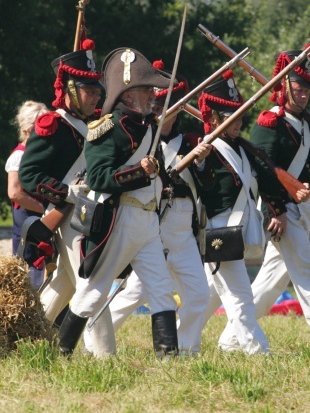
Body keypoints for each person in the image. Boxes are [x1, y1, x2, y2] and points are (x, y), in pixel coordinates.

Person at [218, 44, 310, 356]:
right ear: (283, 85)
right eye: (299, 87)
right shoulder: (269, 123)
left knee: (269, 284)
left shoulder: (305, 123)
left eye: (307, 88)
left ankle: (231, 338)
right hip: (285, 212)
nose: (305, 93)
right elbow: (263, 171)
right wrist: (278, 210)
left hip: (305, 209)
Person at [56, 48, 181, 358]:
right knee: (93, 292)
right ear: (127, 94)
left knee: (162, 290)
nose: (153, 95)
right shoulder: (106, 129)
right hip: (121, 218)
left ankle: (169, 360)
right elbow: (98, 177)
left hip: (148, 221)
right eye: (146, 89)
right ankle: (62, 353)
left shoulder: (150, 125)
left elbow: (157, 172)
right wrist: (137, 172)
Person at [83, 62, 213, 356]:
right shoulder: (141, 136)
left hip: (182, 226)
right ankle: (94, 341)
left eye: (172, 106)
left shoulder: (188, 142)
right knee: (135, 292)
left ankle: (186, 350)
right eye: (159, 105)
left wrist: (200, 162)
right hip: (154, 220)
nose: (162, 111)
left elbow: (207, 187)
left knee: (197, 294)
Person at [198, 70, 310, 354]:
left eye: (239, 116)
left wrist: (278, 207)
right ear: (213, 118)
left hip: (239, 227)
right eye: (230, 117)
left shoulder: (242, 149)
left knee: (207, 295)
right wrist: (198, 162)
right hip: (217, 230)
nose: (238, 122)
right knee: (239, 295)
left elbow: (266, 179)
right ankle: (257, 350)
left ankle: (179, 341)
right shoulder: (204, 149)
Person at [18, 40, 106, 330]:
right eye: (88, 91)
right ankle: (104, 357)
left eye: (96, 90)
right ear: (70, 90)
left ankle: (32, 335)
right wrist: (65, 193)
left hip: (90, 213)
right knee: (92, 284)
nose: (95, 97)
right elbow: (29, 174)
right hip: (68, 216)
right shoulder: (52, 125)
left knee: (65, 286)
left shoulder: (97, 125)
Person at [6, 101, 47, 288]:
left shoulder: (36, 155)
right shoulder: (19, 156)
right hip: (27, 223)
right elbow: (14, 192)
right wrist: (44, 209)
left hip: (37, 222)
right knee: (28, 275)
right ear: (29, 130)